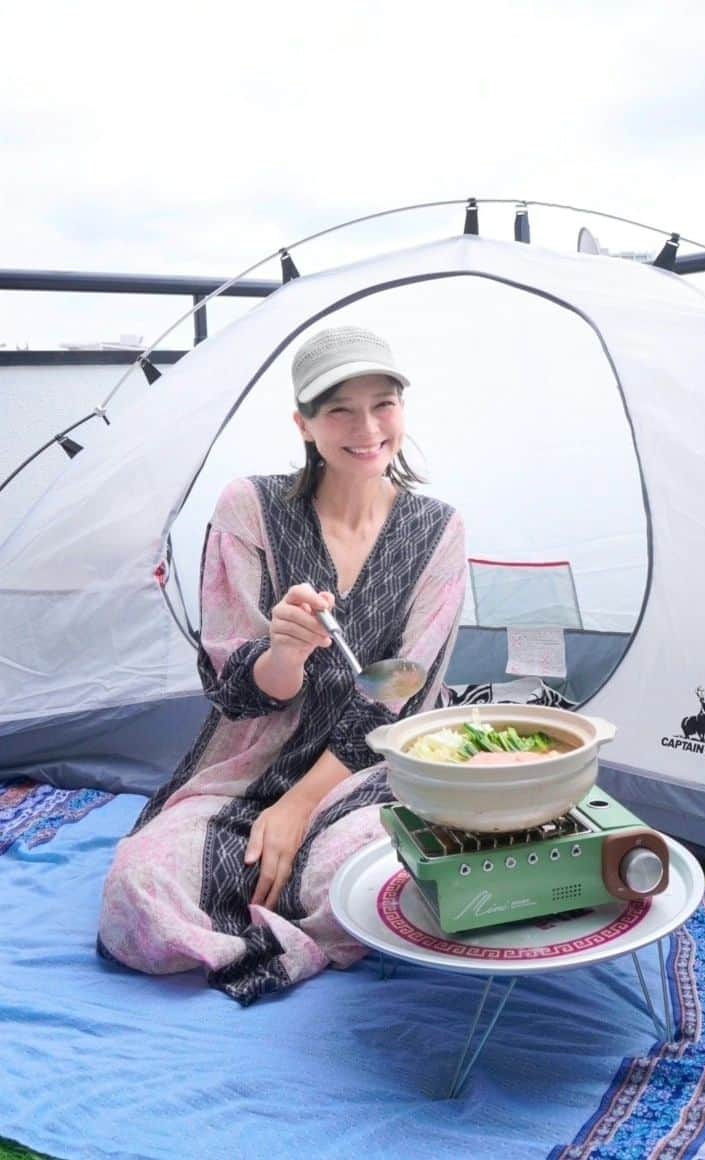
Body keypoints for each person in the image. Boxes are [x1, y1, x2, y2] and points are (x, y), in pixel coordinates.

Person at [98, 325, 466, 1005]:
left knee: (374, 879)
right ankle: (280, 920)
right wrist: (285, 652)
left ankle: (278, 906)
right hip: (249, 763)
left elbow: (401, 697)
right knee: (135, 894)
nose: (367, 427)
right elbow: (234, 687)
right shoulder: (250, 508)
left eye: (383, 404)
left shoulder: (439, 529)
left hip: (370, 771)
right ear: (303, 423)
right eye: (339, 411)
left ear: (403, 410)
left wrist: (300, 808)